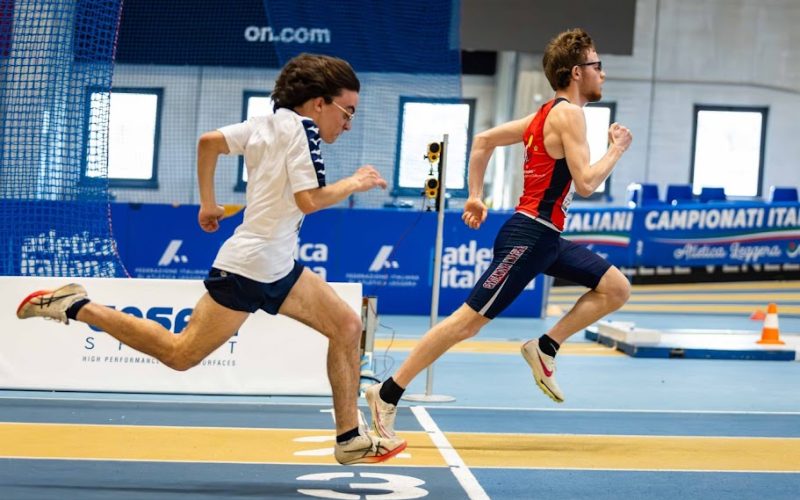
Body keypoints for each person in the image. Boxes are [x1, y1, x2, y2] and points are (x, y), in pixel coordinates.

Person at [16, 53, 406, 465]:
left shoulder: (265, 122)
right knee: (180, 353)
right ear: (318, 103)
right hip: (250, 268)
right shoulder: (303, 131)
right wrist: (354, 183)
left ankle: (348, 437)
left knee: (347, 325)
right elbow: (308, 201)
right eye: (347, 112)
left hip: (277, 264)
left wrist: (208, 204)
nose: (348, 124)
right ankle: (75, 305)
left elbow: (209, 143)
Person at [366, 28, 633, 439]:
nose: (603, 73)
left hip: (546, 239)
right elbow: (585, 183)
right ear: (577, 72)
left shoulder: (542, 116)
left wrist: (476, 196)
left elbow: (484, 140)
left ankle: (545, 346)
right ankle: (387, 392)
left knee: (615, 288)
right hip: (528, 237)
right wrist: (615, 148)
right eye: (598, 65)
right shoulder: (569, 114)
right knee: (466, 323)